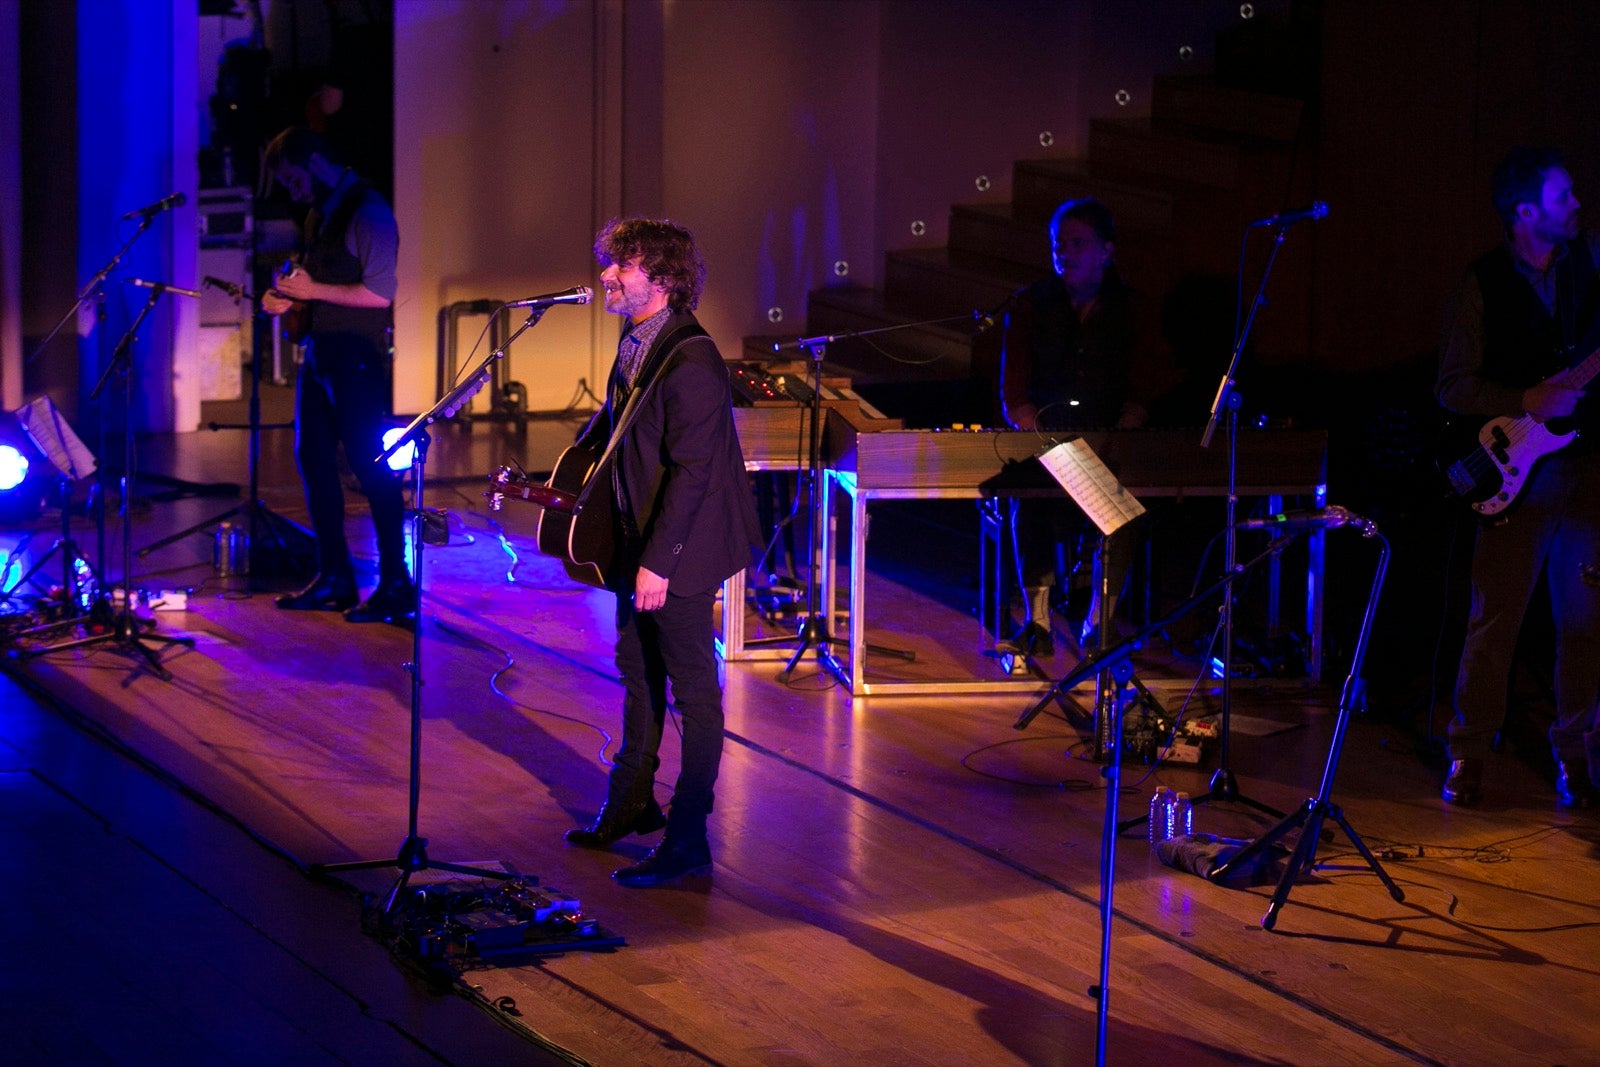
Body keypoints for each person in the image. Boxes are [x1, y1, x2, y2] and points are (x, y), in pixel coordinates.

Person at [562, 218, 763, 887]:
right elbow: (618, 428)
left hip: (681, 546)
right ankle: (629, 805)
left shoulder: (693, 360)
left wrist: (660, 562)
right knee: (639, 672)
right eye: (608, 262)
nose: (606, 276)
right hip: (641, 538)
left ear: (665, 276)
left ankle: (688, 839)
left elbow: (695, 471)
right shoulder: (639, 339)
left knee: (694, 695)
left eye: (622, 265)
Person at [1437, 145, 1600, 808]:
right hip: (1518, 474)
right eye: (1564, 197)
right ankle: (1468, 752)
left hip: (1587, 470)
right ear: (1526, 212)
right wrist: (1524, 401)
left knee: (1585, 623)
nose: (1578, 205)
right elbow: (1452, 387)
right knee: (1494, 619)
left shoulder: (1587, 264)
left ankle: (1578, 758)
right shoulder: (1481, 283)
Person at [260, 127, 412, 627]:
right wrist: (289, 296)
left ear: (317, 161)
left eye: (293, 178)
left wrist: (315, 290)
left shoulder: (369, 212)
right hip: (321, 355)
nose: (291, 189)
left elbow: (379, 295)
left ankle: (395, 583)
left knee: (371, 468)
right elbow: (317, 282)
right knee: (313, 460)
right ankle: (334, 576)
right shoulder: (318, 212)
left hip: (357, 357)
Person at [995, 197, 1148, 659]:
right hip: (1047, 444)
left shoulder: (1128, 308)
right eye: (1058, 244)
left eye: (1077, 243)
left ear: (1106, 249)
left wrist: (1122, 430)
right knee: (1028, 498)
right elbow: (1014, 392)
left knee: (1124, 508)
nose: (1064, 252)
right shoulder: (1029, 305)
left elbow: (1141, 388)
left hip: (1107, 444)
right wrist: (1035, 433)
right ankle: (1038, 621)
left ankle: (1099, 623)